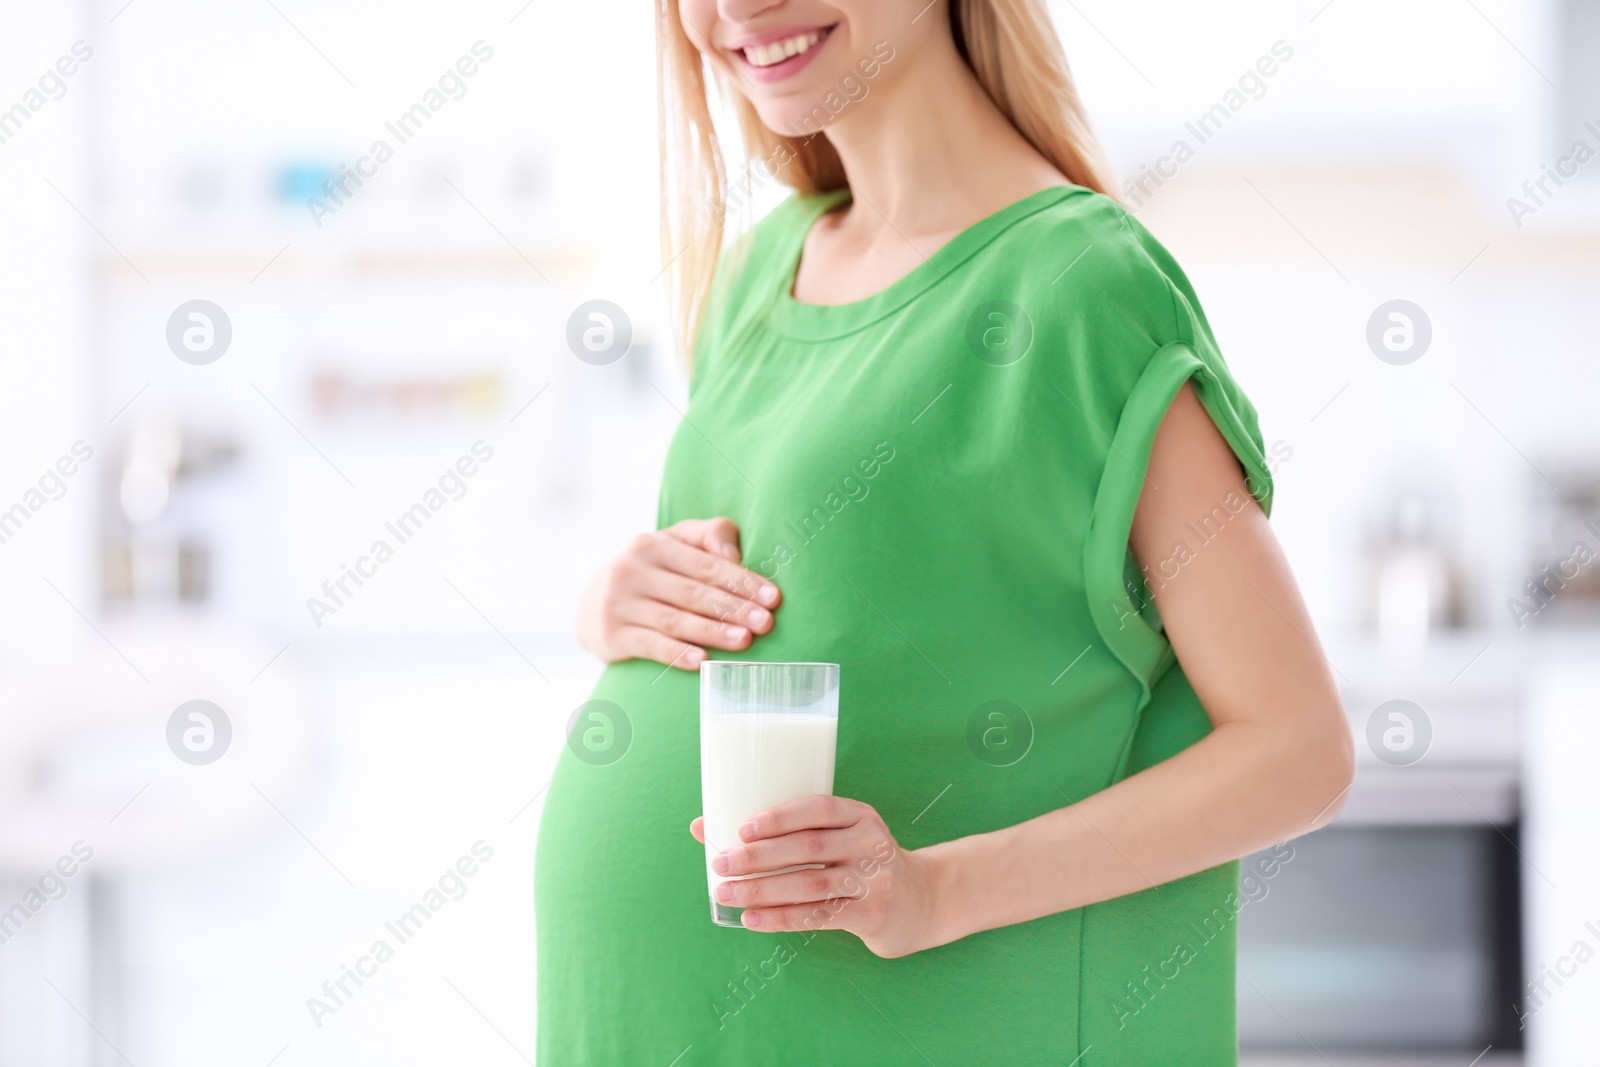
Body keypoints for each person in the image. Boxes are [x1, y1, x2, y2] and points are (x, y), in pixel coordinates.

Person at [536, 1, 1353, 1063]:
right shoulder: (754, 275)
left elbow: (1298, 748)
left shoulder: (1078, 285)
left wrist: (932, 890)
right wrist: (613, 607)